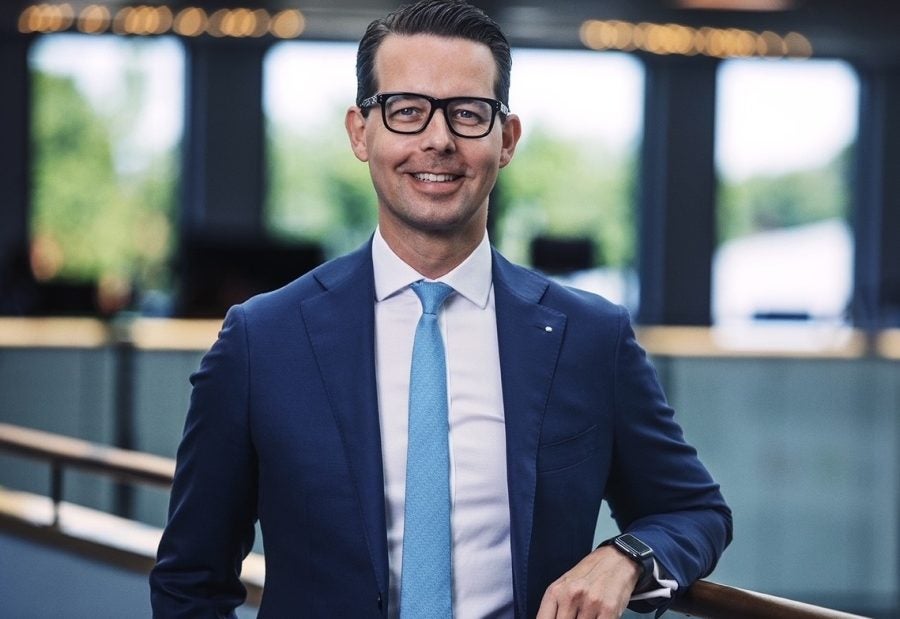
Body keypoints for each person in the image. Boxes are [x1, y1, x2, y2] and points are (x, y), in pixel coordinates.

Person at [149, 1, 732, 617]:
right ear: (359, 132)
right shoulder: (261, 340)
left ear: (505, 140)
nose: (438, 140)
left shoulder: (590, 337)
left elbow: (694, 510)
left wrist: (627, 556)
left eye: (468, 114)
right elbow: (192, 577)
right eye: (406, 111)